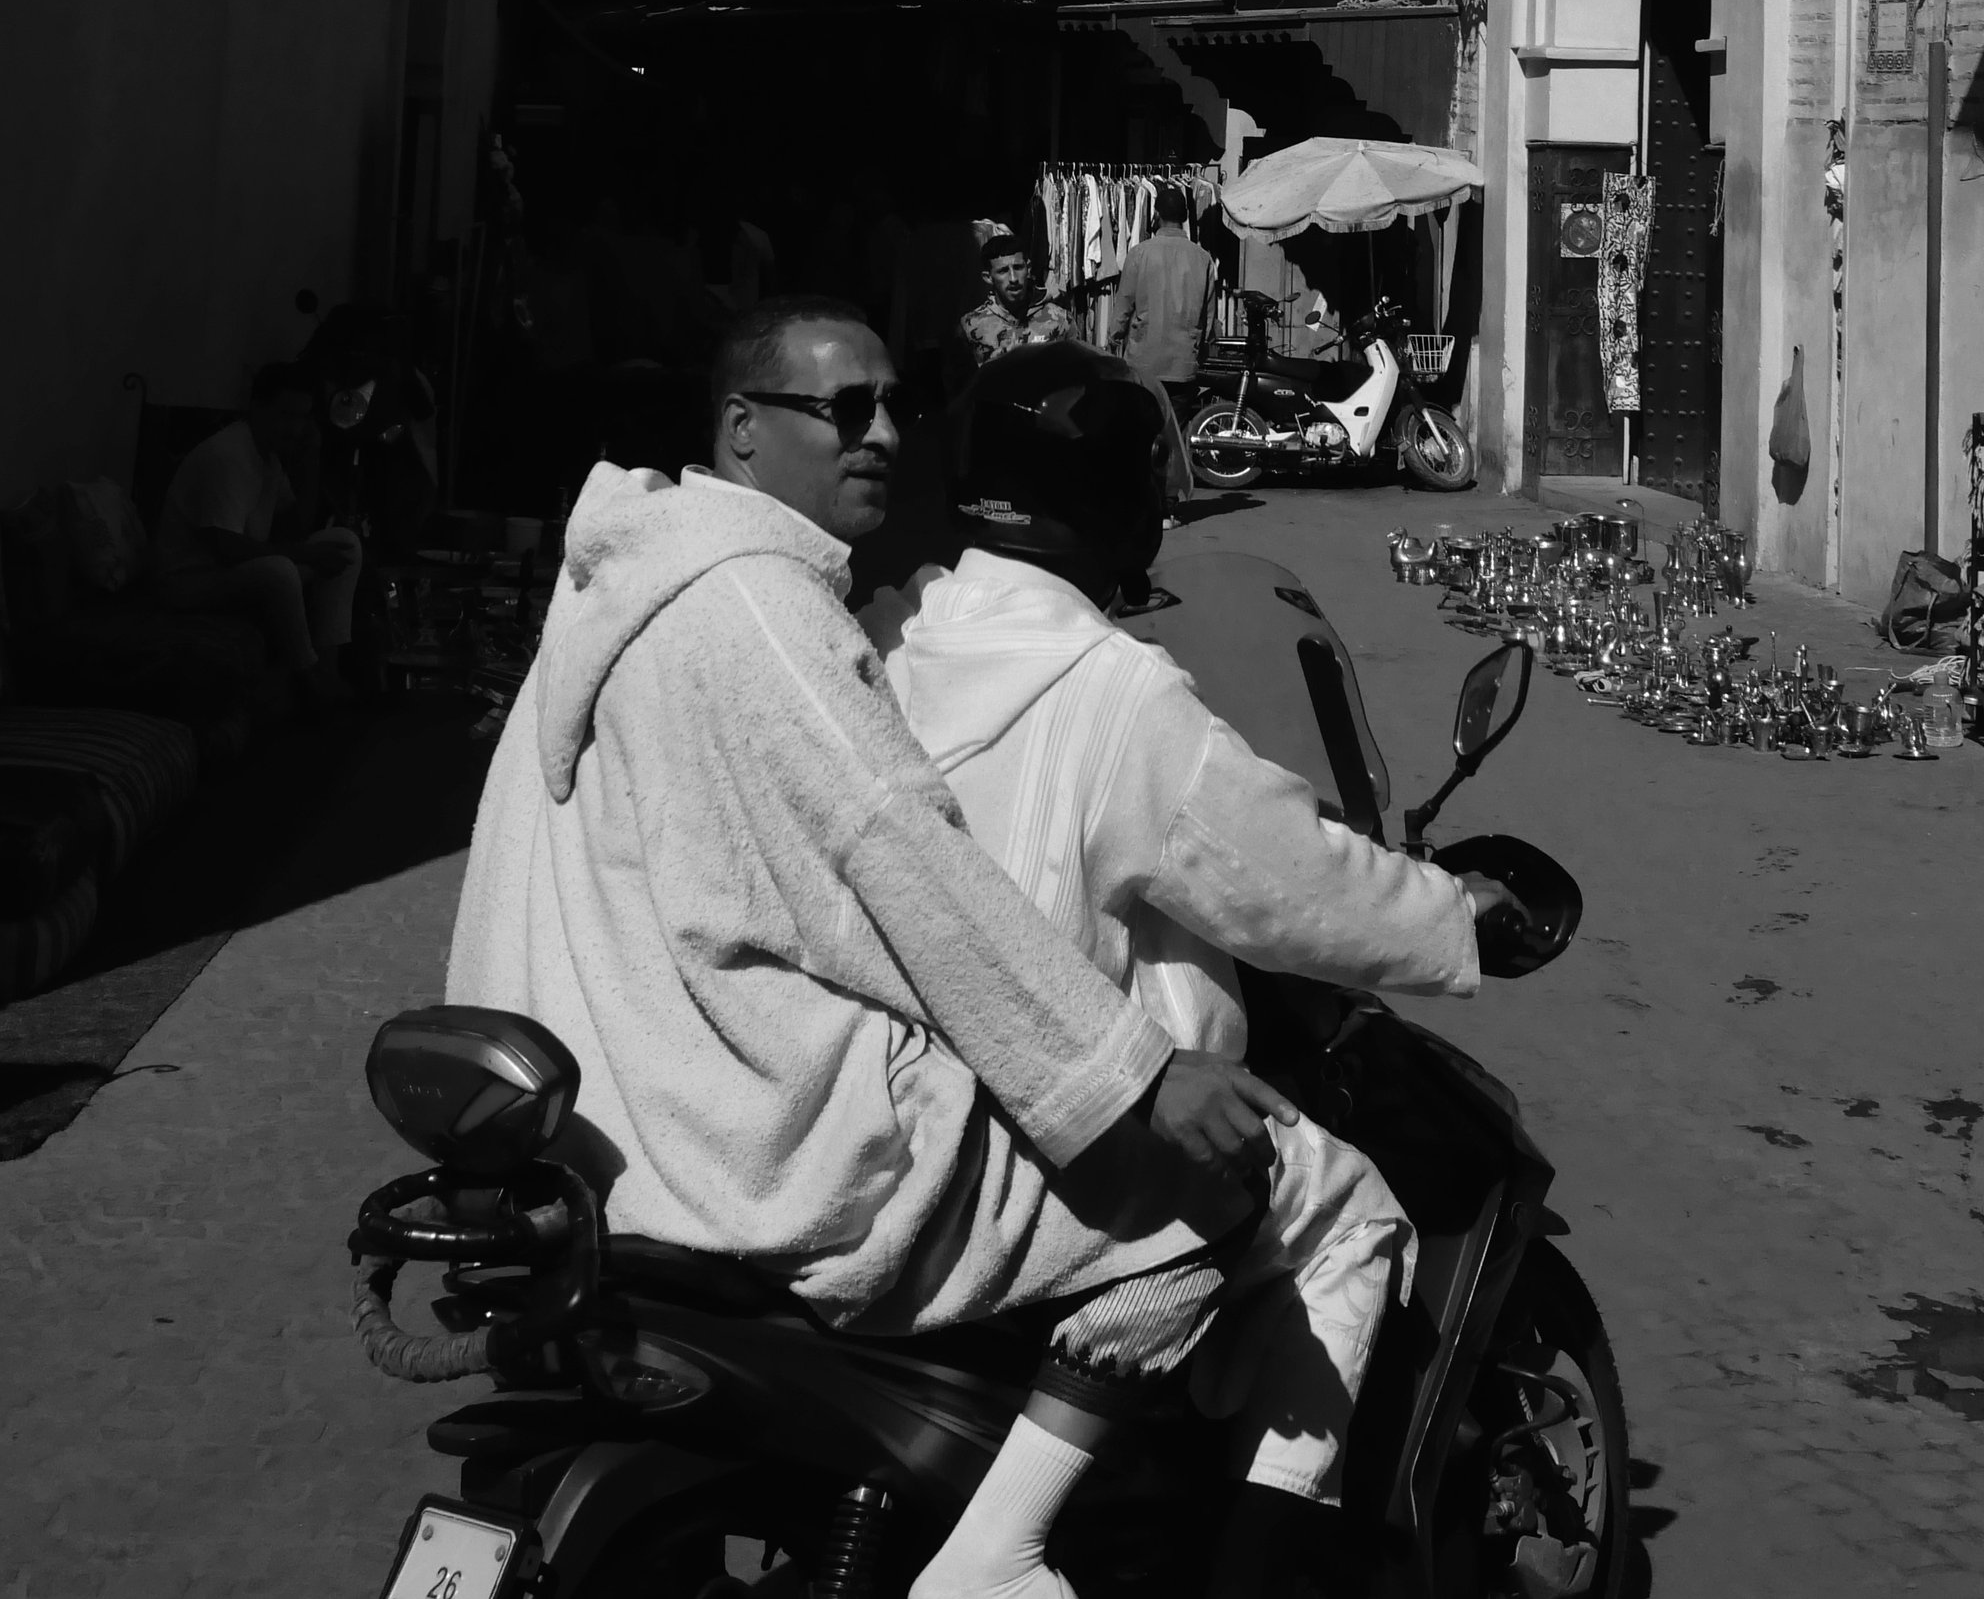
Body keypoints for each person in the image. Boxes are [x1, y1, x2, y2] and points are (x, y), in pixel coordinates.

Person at [447, 297, 1295, 1599]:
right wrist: (1136, 1075)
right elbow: (911, 868)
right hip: (751, 1153)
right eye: (844, 409)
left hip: (611, 1129)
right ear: (740, 430)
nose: (883, 434)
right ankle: (996, 1557)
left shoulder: (615, 587)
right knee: (1198, 1209)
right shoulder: (757, 612)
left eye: (899, 405)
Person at [881, 340, 1515, 1596]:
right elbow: (1288, 882)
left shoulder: (895, 637)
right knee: (1348, 1218)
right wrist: (1452, 918)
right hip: (1063, 1126)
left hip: (899, 1111)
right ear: (1123, 503)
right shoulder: (1114, 693)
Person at [153, 362, 362, 708]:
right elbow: (225, 547)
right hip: (189, 581)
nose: (294, 428)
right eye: (285, 415)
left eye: (302, 418)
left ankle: (329, 666)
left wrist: (310, 460)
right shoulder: (228, 456)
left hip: (232, 571)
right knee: (277, 570)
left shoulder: (269, 458)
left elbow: (297, 527)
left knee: (343, 543)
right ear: (257, 408)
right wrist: (305, 556)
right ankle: (309, 674)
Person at [1106, 184, 1215, 408]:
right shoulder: (1202, 259)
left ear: (1156, 215)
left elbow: (1124, 303)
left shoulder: (1139, 254)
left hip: (1144, 363)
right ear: (1185, 217)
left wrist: (1114, 337)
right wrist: (1201, 349)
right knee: (1176, 430)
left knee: (1142, 431)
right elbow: (1209, 316)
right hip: (1183, 364)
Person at [952, 221, 1075, 390]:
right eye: (1003, 271)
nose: (1013, 279)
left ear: (1029, 268)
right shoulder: (970, 326)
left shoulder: (1060, 320)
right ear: (988, 277)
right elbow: (959, 391)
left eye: (1018, 267)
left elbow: (1078, 378)